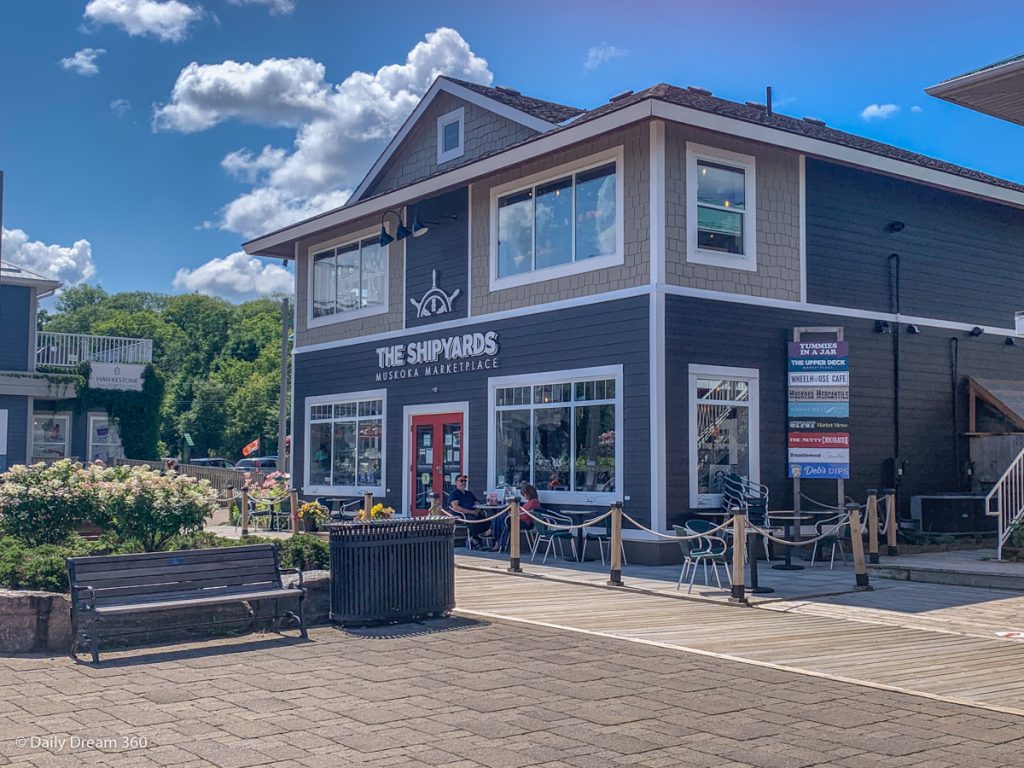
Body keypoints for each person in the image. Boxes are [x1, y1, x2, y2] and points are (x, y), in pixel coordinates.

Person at [490, 481, 540, 552]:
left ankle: (493, 535)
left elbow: (526, 515)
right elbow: (522, 511)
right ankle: (498, 541)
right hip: (519, 519)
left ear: (529, 493)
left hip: (526, 523)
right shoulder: (529, 502)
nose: (523, 496)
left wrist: (514, 513)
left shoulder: (533, 502)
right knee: (503, 520)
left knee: (502, 517)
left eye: (524, 494)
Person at [449, 474, 489, 547]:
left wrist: (477, 511)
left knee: (487, 521)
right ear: (456, 482)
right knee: (473, 521)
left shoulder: (469, 493)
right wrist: (471, 512)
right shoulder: (454, 494)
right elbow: (456, 507)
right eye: (461, 481)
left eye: (465, 481)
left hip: (473, 514)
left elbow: (477, 503)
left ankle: (479, 537)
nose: (463, 482)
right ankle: (473, 539)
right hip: (461, 516)